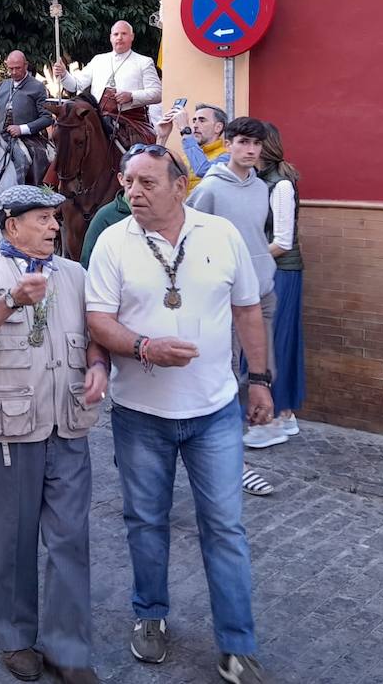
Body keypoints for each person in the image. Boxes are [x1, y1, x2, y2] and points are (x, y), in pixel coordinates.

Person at [85, 145, 273, 683]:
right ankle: (150, 615)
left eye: (146, 182)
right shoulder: (113, 240)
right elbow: (98, 319)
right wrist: (144, 347)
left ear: (179, 186)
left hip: (214, 412)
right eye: (128, 182)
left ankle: (237, 645)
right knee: (146, 523)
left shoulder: (221, 234)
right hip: (140, 414)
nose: (133, 192)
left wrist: (259, 381)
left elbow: (247, 310)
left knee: (225, 528)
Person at [0, 184, 104, 684]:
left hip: (68, 424)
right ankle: (16, 636)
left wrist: (99, 365)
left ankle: (68, 649)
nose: (54, 227)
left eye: (55, 218)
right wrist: (11, 299)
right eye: (42, 218)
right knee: (15, 537)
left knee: (71, 538)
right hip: (10, 428)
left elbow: (95, 335)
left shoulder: (75, 274)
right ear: (12, 225)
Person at [186, 117, 281, 454]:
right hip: (225, 295)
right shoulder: (209, 189)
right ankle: (221, 435)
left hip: (262, 289)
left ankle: (256, 422)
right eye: (243, 142)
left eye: (256, 143)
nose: (251, 150)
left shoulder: (261, 188)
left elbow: (258, 236)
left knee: (262, 364)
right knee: (224, 364)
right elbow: (188, 234)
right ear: (228, 145)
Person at [252, 123, 304, 445]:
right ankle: (284, 416)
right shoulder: (256, 181)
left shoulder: (281, 185)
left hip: (281, 272)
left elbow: (283, 241)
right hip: (267, 271)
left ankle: (272, 420)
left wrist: (247, 259)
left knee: (274, 344)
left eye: (252, 141)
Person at [53, 21, 162, 144]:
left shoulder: (144, 62)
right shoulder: (98, 60)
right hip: (98, 119)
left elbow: (157, 93)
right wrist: (64, 74)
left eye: (124, 34)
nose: (119, 37)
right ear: (111, 38)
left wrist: (132, 96)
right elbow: (76, 85)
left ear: (132, 37)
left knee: (139, 152)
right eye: (116, 34)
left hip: (130, 120)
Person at [0, 50, 55, 186]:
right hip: (0, 136)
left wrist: (22, 129)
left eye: (17, 68)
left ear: (25, 65)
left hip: (26, 139)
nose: (13, 72)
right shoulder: (3, 85)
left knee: (20, 160)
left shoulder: (37, 87)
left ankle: (16, 194)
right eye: (10, 68)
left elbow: (47, 118)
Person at [156, 102, 230, 192]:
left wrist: (185, 129)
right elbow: (157, 178)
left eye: (202, 121)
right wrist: (162, 138)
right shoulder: (185, 159)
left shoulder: (227, 157)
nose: (195, 126)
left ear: (218, 127)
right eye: (194, 121)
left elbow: (203, 170)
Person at [79, 176, 129, 269]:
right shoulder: (104, 217)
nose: (137, 189)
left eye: (146, 182)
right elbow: (87, 263)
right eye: (130, 181)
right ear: (121, 179)